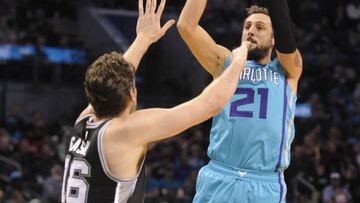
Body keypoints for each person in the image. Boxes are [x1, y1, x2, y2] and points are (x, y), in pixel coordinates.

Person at [60, 0, 251, 202]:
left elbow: (114, 78)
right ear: (132, 94)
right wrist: (238, 63)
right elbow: (210, 104)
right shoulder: (125, 131)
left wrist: (143, 39)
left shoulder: (84, 120)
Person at [177, 0, 303, 202]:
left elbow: (283, 22)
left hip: (264, 182)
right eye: (247, 26)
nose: (251, 30)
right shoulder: (225, 62)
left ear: (274, 39)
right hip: (219, 174)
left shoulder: (288, 70)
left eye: (260, 27)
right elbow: (186, 26)